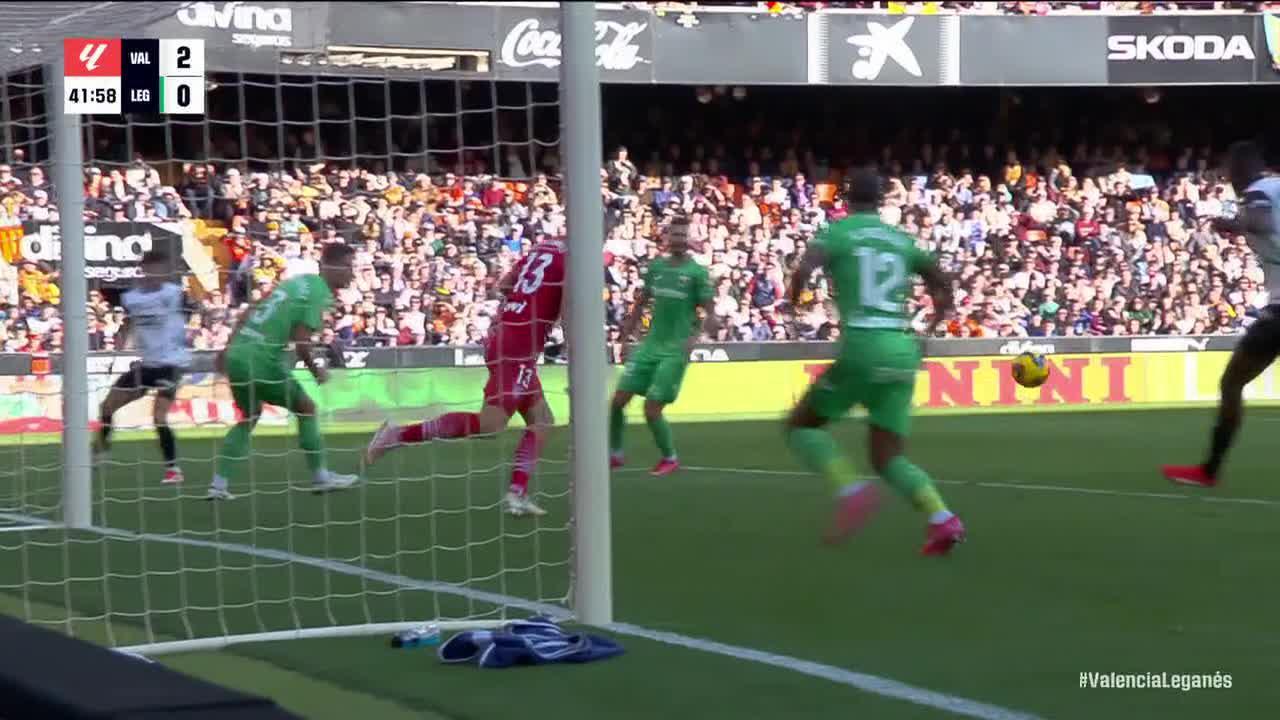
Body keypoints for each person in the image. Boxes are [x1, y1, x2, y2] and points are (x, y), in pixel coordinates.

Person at [782, 168, 965, 555]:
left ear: (847, 198)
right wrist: (928, 330)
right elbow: (942, 283)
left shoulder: (837, 232)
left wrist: (794, 302)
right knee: (888, 457)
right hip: (902, 349)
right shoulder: (901, 240)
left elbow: (803, 269)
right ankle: (942, 518)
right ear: (882, 200)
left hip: (863, 345)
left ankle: (850, 489)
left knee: (801, 426)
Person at [364, 237, 568, 517]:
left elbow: (506, 285)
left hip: (508, 335)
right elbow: (569, 311)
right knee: (491, 424)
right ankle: (397, 434)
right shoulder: (577, 259)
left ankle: (517, 493)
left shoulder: (544, 247)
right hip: (519, 345)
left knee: (542, 420)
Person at [1163, 141, 1278, 487]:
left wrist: (1229, 223)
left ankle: (1209, 471)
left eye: (1229, 171)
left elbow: (1256, 220)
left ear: (1240, 169)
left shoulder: (1257, 191)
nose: (1228, 178)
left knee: (1231, 383)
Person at [209, 242, 360, 501]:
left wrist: (226, 349)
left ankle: (218, 484)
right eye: (348, 266)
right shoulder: (318, 292)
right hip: (262, 358)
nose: (352, 273)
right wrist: (316, 371)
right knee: (307, 407)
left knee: (249, 416)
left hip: (239, 354)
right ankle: (321, 477)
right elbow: (302, 343)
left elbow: (251, 310)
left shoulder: (298, 282)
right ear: (329, 265)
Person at [608, 218, 715, 476]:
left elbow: (710, 312)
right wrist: (624, 339)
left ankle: (670, 458)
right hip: (649, 345)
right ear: (667, 238)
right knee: (617, 402)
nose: (678, 238)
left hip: (674, 350)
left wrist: (694, 339)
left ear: (688, 240)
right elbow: (641, 303)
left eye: (682, 234)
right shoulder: (655, 268)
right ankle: (615, 455)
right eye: (674, 234)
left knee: (651, 408)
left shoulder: (697, 273)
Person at [94, 250, 192, 485]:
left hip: (171, 364)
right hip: (146, 365)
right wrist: (120, 341)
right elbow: (128, 317)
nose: (155, 273)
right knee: (106, 406)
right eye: (151, 268)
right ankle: (101, 451)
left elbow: (189, 308)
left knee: (158, 416)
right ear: (144, 270)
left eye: (160, 269)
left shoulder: (174, 294)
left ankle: (173, 469)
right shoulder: (133, 298)